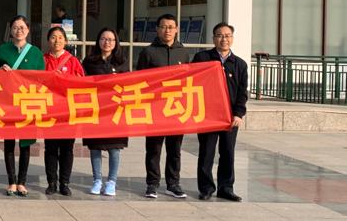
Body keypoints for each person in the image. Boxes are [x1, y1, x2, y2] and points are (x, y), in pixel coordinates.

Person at [193, 22, 248, 202]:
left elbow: (242, 92)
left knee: (227, 152)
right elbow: (192, 82)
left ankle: (226, 188)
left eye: (227, 36)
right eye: (220, 35)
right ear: (213, 38)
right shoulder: (202, 58)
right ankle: (206, 188)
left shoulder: (240, 64)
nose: (224, 39)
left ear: (232, 38)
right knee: (206, 152)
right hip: (208, 115)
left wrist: (238, 114)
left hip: (229, 117)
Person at [137, 13, 190, 199]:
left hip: (176, 108)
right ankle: (152, 184)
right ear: (157, 29)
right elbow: (139, 80)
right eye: (163, 27)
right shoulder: (148, 52)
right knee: (154, 149)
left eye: (171, 27)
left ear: (176, 29)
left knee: (175, 150)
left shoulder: (183, 53)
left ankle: (173, 184)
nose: (167, 30)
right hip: (155, 109)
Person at [0, 15, 45, 196]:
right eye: (15, 27)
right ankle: (11, 181)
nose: (19, 30)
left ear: (28, 30)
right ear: (11, 30)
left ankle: (22, 181)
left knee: (26, 143)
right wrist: (0, 71)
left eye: (22, 27)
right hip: (7, 103)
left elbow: (42, 79)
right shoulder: (2, 50)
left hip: (28, 102)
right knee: (8, 142)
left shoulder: (36, 53)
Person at [82, 27, 129, 196]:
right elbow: (82, 83)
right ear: (98, 41)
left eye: (110, 39)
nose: (107, 42)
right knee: (95, 147)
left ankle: (111, 182)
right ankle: (97, 180)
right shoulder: (89, 61)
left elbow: (128, 83)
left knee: (114, 148)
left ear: (116, 42)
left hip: (115, 112)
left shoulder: (122, 62)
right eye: (103, 39)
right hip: (95, 110)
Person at [42, 25, 84, 196]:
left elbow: (82, 84)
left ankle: (64, 183)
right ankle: (51, 182)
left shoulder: (73, 61)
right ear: (48, 41)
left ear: (66, 41)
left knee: (67, 148)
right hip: (50, 111)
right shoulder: (43, 60)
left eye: (60, 37)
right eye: (53, 37)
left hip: (68, 111)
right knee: (50, 148)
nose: (57, 41)